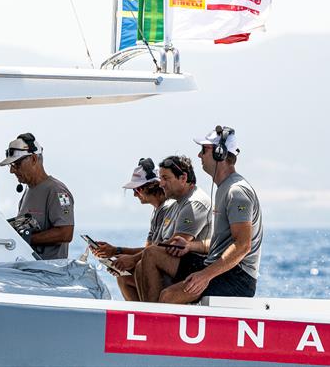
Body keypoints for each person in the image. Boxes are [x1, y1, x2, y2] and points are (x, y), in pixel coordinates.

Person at [137, 126, 262, 304]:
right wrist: (190, 246)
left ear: (219, 153)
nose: (199, 155)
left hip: (237, 277)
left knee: (168, 296)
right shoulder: (223, 189)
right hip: (213, 265)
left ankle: (151, 325)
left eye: (203, 150)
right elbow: (222, 242)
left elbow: (242, 245)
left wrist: (204, 276)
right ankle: (145, 320)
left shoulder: (237, 192)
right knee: (151, 254)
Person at [90, 158, 172, 301]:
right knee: (123, 277)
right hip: (159, 269)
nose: (135, 194)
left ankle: (144, 317)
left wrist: (123, 256)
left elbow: (157, 252)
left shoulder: (169, 209)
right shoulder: (158, 211)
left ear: (152, 185)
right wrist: (116, 252)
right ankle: (139, 318)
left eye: (137, 189)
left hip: (170, 275)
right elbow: (148, 250)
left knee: (126, 275)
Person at [134, 155, 212, 302]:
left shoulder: (194, 203)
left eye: (165, 178)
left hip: (200, 263)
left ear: (183, 178)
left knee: (151, 254)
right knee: (139, 266)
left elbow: (174, 246)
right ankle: (145, 316)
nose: (161, 183)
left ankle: (152, 316)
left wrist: (127, 256)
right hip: (186, 261)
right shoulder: (176, 203)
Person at [0, 133, 74, 260]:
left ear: (33, 159)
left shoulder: (57, 191)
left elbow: (65, 233)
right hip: (30, 271)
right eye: (11, 166)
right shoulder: (28, 190)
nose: (12, 171)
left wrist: (26, 239)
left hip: (49, 275)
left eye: (16, 164)